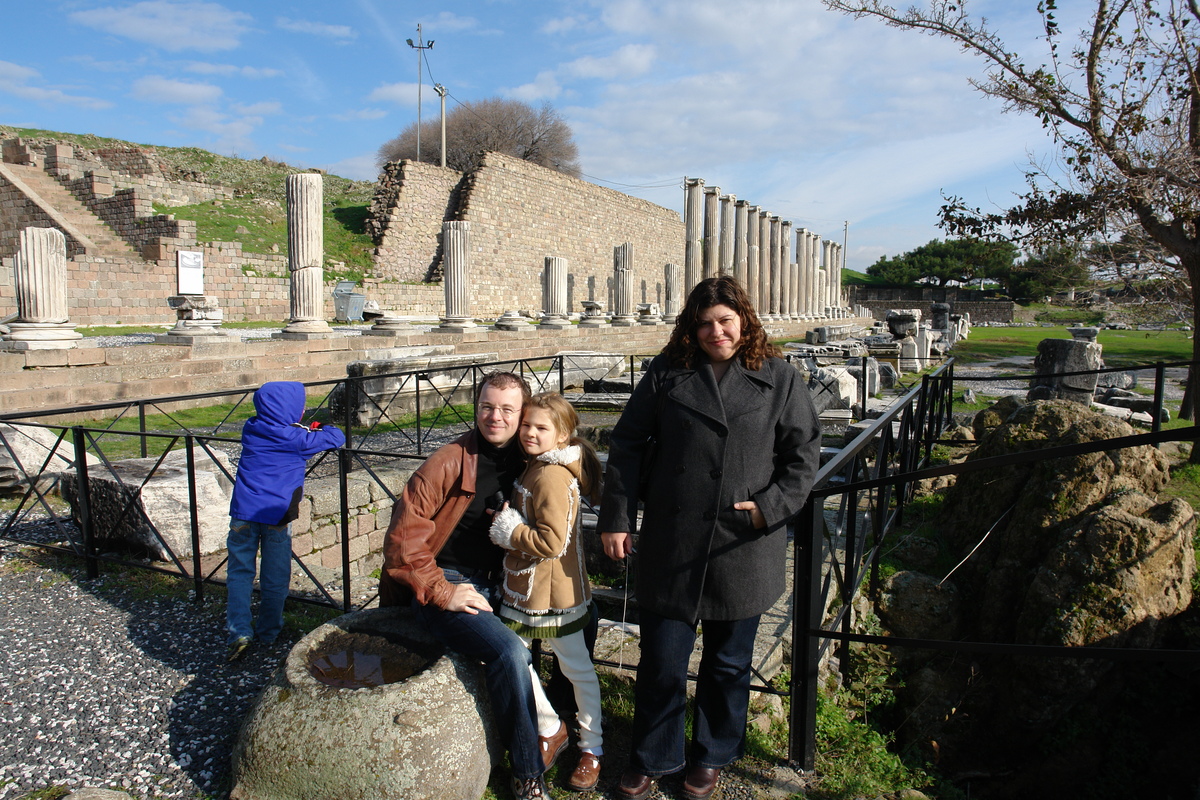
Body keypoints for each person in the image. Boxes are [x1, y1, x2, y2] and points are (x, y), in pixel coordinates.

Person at [598, 275, 821, 800]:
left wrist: (768, 510)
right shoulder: (668, 373)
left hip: (741, 542)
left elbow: (803, 457)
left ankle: (713, 754)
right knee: (663, 660)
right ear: (690, 328)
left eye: (724, 320)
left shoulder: (780, 378)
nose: (715, 331)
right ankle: (654, 754)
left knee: (727, 664)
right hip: (672, 541)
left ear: (744, 319)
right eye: (703, 323)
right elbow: (627, 443)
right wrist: (616, 517)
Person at [381, 371, 560, 800]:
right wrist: (443, 590)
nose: (494, 417)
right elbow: (402, 542)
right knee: (508, 652)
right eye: (486, 407)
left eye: (507, 409)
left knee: (580, 622)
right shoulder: (448, 460)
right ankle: (526, 774)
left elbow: (571, 458)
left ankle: (565, 729)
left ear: (522, 414)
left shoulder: (529, 455)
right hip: (446, 581)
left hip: (502, 581)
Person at [489, 392, 605, 792]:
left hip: (553, 593)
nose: (529, 433)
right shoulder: (539, 465)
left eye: (541, 428)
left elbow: (553, 542)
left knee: (575, 670)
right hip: (531, 589)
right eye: (527, 426)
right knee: (512, 660)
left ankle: (590, 747)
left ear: (563, 435)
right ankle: (553, 727)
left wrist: (509, 531)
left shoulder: (553, 475)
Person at [226, 380, 346, 662]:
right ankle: (269, 630)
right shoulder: (297, 440)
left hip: (243, 511)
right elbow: (336, 437)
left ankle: (239, 631)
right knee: (275, 573)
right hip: (276, 514)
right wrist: (321, 428)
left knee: (239, 573)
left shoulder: (251, 428)